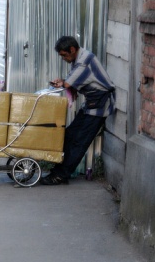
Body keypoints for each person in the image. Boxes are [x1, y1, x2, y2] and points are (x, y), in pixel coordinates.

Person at [41, 36, 115, 185]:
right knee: (69, 136)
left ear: (72, 50)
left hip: (99, 107)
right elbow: (70, 81)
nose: (63, 58)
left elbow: (68, 83)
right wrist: (64, 82)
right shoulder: (79, 58)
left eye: (64, 55)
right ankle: (59, 170)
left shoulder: (84, 60)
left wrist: (62, 83)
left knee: (79, 142)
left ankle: (61, 175)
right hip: (91, 104)